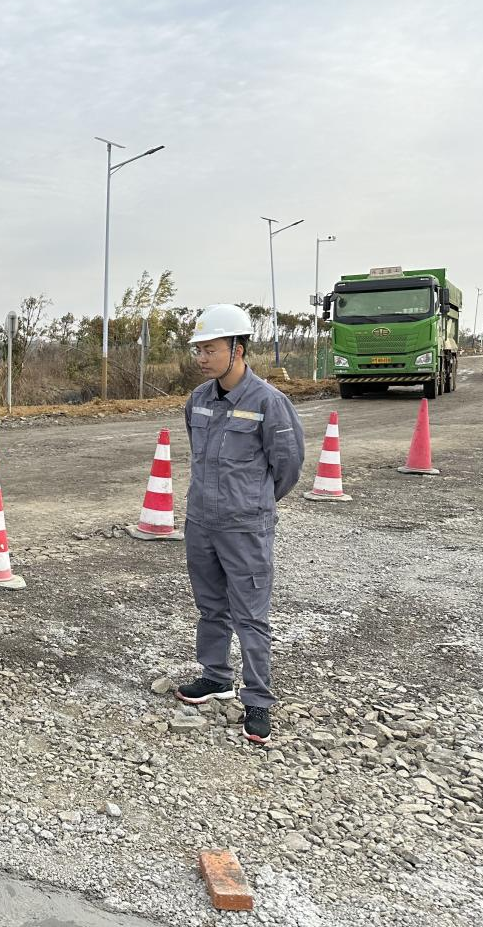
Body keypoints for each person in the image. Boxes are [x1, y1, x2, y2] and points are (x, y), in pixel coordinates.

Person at [175, 304, 305, 746]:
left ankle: (258, 700)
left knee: (251, 616)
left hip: (245, 527)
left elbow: (287, 467)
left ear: (238, 348)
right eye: (198, 350)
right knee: (211, 606)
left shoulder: (269, 402)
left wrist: (252, 504)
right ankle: (215, 676)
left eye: (210, 349)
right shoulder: (198, 400)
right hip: (201, 522)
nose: (202, 358)